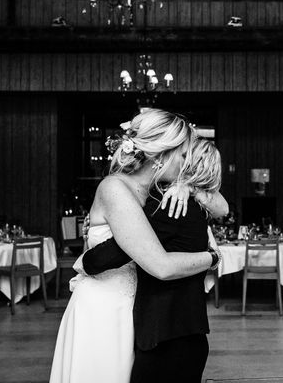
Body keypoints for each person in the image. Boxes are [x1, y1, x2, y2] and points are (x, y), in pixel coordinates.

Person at [49, 109, 221, 383]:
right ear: (161, 154)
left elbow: (220, 205)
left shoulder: (159, 192)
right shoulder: (115, 188)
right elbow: (160, 265)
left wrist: (189, 188)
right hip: (105, 309)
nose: (188, 164)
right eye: (184, 155)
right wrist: (212, 258)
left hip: (138, 312)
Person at [83, 138, 228, 383]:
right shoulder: (198, 210)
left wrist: (91, 248)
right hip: (188, 334)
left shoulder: (168, 208)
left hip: (166, 340)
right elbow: (222, 207)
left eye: (181, 156)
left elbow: (104, 258)